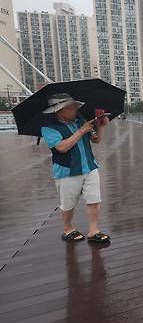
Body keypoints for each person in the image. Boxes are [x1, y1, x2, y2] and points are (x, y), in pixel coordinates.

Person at [40, 93, 110, 243]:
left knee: (94, 199)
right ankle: (68, 229)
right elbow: (62, 147)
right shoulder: (48, 128)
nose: (75, 110)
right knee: (68, 204)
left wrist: (101, 127)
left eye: (74, 107)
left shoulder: (80, 120)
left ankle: (93, 230)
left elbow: (96, 140)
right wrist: (81, 131)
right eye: (71, 108)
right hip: (67, 171)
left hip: (90, 166)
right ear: (59, 111)